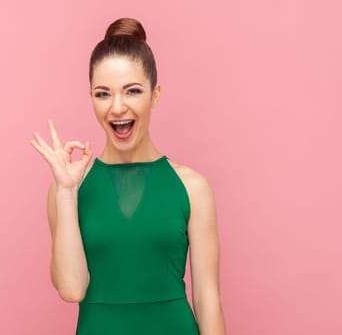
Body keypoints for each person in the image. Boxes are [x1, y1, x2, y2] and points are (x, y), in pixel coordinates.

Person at [30, 17, 226, 335]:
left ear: (155, 94)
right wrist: (66, 191)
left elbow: (208, 299)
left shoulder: (193, 188)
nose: (117, 107)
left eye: (132, 91)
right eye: (103, 94)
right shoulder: (66, 189)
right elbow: (72, 289)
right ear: (91, 96)